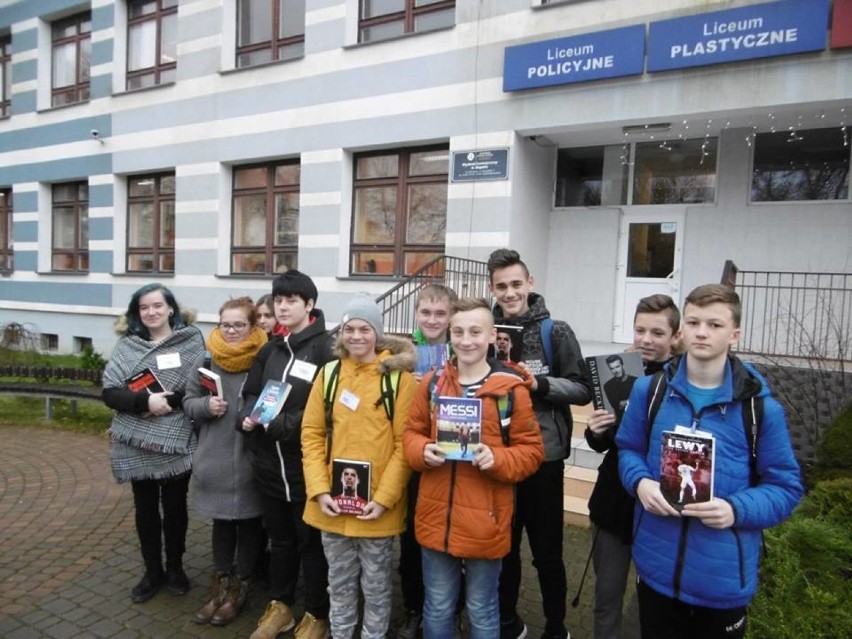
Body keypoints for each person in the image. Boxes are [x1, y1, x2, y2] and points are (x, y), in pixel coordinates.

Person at [617, 284, 803, 639]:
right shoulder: (649, 391)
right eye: (694, 322)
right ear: (681, 330)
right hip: (655, 569)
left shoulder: (760, 409)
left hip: (722, 584)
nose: (702, 332)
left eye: (714, 325)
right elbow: (628, 450)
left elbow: (785, 487)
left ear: (735, 334)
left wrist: (735, 509)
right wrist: (640, 483)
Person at [404, 297, 544, 638]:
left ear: (492, 335)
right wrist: (423, 451)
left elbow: (532, 451)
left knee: (482, 609)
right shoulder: (432, 383)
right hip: (436, 518)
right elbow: (410, 434)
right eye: (459, 331)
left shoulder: (511, 390)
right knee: (437, 607)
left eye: (475, 332)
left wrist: (498, 459)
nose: (466, 340)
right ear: (450, 334)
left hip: (487, 521)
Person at [487, 248, 592, 639]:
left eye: (516, 283)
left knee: (548, 554)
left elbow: (582, 389)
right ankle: (508, 622)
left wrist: (539, 384)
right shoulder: (485, 329)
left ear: (530, 283)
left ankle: (557, 627)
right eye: (502, 286)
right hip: (498, 456)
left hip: (544, 460)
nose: (510, 292)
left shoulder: (556, 331)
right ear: (492, 289)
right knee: (505, 549)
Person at [301, 293, 415, 639]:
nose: (356, 336)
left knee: (378, 587)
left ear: (377, 334)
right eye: (349, 328)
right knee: (338, 583)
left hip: (377, 509)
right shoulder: (330, 374)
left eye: (364, 329)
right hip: (332, 506)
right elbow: (311, 434)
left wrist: (384, 498)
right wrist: (319, 490)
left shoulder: (398, 380)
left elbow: (403, 446)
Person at [240, 270, 335, 639]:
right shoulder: (270, 348)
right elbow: (250, 392)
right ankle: (281, 607)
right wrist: (247, 416)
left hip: (306, 468)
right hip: (268, 466)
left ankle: (316, 614)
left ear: (309, 305)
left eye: (291, 300)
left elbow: (327, 410)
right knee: (279, 540)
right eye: (278, 300)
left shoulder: (326, 349)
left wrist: (280, 425)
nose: (282, 306)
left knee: (311, 543)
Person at [102, 283, 205, 604]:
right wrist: (144, 402)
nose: (152, 312)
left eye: (158, 306)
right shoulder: (128, 346)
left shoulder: (191, 341)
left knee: (175, 509)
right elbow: (110, 392)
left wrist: (165, 402)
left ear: (171, 308)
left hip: (176, 437)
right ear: (137, 312)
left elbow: (198, 384)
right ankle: (151, 571)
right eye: (145, 307)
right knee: (145, 509)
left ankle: (175, 568)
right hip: (136, 440)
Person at [584, 294, 680, 639]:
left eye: (657, 332)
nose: (646, 340)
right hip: (613, 503)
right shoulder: (616, 376)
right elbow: (605, 443)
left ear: (674, 336)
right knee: (607, 597)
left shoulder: (683, 381)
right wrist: (595, 431)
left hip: (658, 506)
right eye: (640, 330)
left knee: (647, 605)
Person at [182, 296, 268, 625]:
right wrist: (206, 407)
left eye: (239, 325)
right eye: (225, 324)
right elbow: (188, 401)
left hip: (250, 459)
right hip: (215, 458)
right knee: (221, 524)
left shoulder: (264, 357)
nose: (231, 331)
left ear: (253, 326)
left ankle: (239, 589)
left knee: (248, 525)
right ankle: (218, 586)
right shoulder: (206, 357)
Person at [400, 283, 459, 639]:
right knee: (411, 538)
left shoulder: (462, 349)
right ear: (417, 314)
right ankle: (412, 608)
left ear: (451, 315)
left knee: (452, 539)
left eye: (440, 313)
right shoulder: (403, 351)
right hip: (414, 452)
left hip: (454, 456)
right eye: (426, 312)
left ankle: (452, 611)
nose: (433, 320)